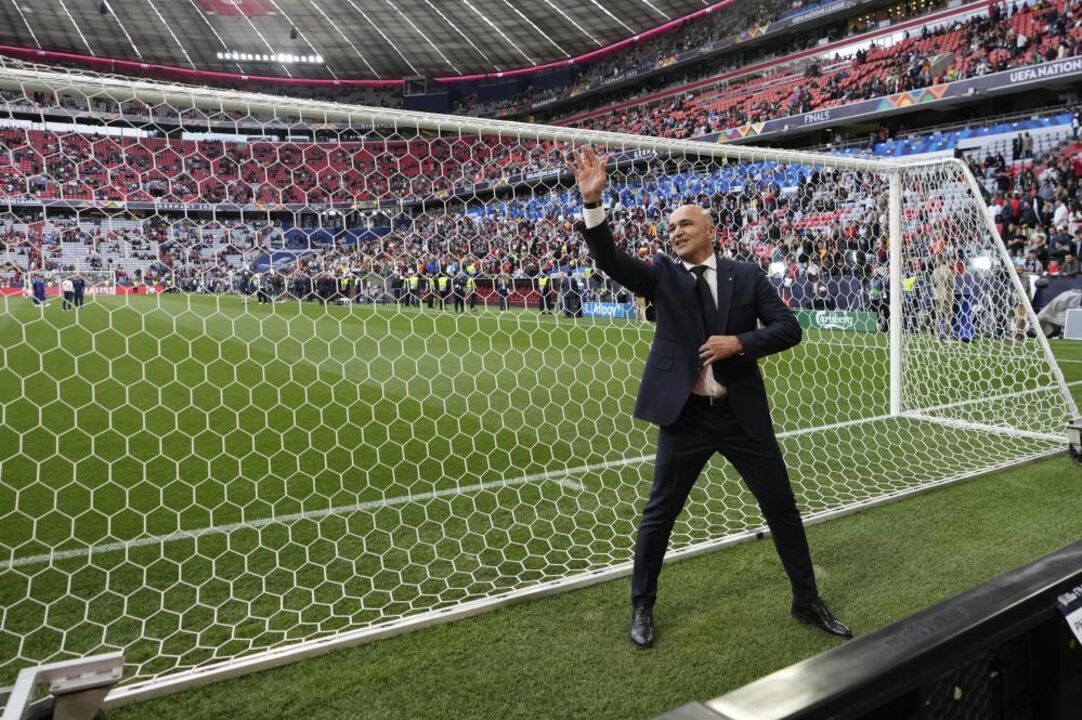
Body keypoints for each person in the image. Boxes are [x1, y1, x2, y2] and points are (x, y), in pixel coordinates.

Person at [567, 146, 851, 648]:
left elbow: (789, 328)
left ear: (711, 231)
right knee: (660, 512)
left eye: (685, 225)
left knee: (781, 507)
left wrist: (740, 343)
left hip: (742, 415)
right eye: (671, 227)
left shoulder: (747, 276)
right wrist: (594, 204)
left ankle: (806, 600)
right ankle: (642, 608)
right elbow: (610, 259)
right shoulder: (660, 274)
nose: (674, 232)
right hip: (687, 417)